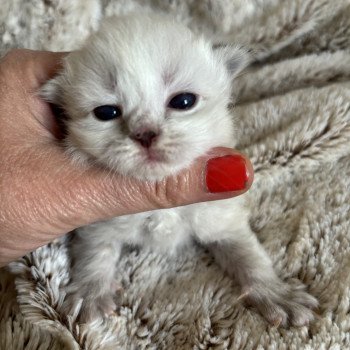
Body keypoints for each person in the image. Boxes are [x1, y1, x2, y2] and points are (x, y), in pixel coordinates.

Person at [0, 49, 253, 267]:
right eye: (106, 112)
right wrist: (93, 280)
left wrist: (264, 284)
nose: (145, 133)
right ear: (61, 112)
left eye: (182, 101)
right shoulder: (83, 195)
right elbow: (97, 237)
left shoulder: (216, 202)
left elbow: (232, 232)